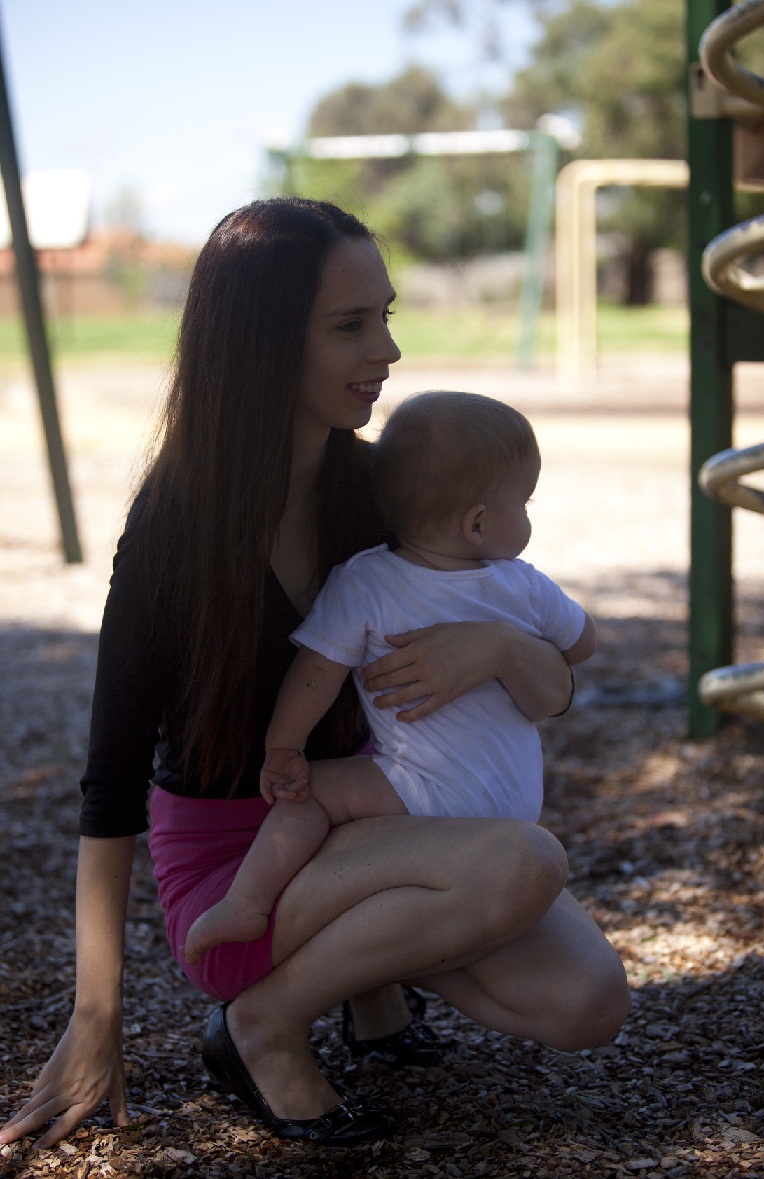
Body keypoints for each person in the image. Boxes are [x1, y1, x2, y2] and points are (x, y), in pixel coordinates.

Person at [0, 198, 630, 1153]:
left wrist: (499, 649)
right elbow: (109, 782)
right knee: (523, 858)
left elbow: (555, 678)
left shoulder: (380, 492)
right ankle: (263, 1022)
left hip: (378, 825)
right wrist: (96, 1019)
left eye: (386, 316)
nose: (386, 349)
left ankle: (366, 980)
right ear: (262, 342)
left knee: (586, 1000)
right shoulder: (176, 528)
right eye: (350, 325)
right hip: (235, 868)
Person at [183, 391, 597, 967]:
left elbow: (316, 672)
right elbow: (582, 645)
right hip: (514, 807)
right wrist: (527, 638)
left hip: (421, 796)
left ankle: (248, 902)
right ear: (477, 524)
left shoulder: (367, 582)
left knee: (309, 794)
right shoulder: (522, 585)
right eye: (524, 502)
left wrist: (284, 747)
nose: (529, 516)